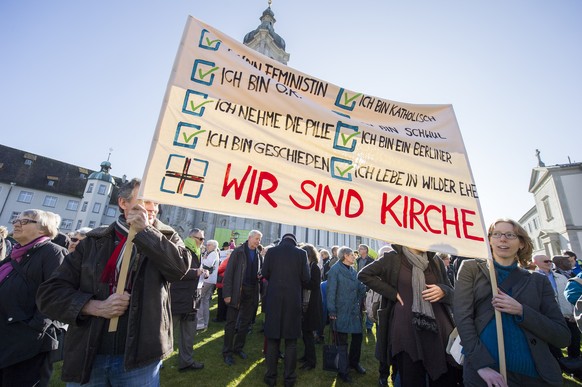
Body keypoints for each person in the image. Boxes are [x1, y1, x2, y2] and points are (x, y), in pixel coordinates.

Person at [37, 178, 191, 385]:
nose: (153, 207)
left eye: (156, 202)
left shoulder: (167, 237)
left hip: (140, 355)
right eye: (146, 200)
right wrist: (93, 306)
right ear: (123, 203)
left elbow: (179, 269)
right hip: (90, 352)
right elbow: (50, 293)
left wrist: (146, 232)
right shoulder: (94, 241)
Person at [454, 218, 570, 387]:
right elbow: (462, 319)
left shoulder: (538, 281)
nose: (503, 239)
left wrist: (522, 311)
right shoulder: (470, 269)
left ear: (521, 243)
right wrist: (481, 366)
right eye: (497, 234)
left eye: (510, 235)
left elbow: (562, 337)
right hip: (486, 374)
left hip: (534, 376)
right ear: (489, 240)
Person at [358, 244, 456, 387]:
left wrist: (443, 291)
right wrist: (392, 292)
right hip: (407, 328)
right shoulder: (393, 258)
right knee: (411, 376)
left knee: (442, 377)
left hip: (437, 329)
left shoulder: (435, 260)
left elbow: (452, 292)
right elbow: (363, 275)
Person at [0, 210, 67, 386]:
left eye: (25, 221)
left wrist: (34, 330)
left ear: (43, 230)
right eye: (16, 219)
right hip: (6, 339)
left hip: (27, 346)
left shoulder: (53, 252)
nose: (16, 223)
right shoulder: (15, 255)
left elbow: (56, 295)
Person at [262, 233, 310, 387]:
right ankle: (289, 378)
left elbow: (264, 273)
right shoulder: (301, 253)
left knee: (273, 340)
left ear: (283, 240)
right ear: (294, 242)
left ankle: (271, 377)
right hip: (292, 300)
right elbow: (306, 278)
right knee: (291, 342)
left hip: (274, 299)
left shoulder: (272, 251)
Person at [222, 230, 263, 366]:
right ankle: (227, 352)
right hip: (237, 292)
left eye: (260, 239)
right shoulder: (238, 252)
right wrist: (227, 294)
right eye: (257, 238)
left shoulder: (258, 254)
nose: (258, 241)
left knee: (245, 323)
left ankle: (238, 348)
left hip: (251, 292)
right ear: (250, 238)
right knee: (231, 323)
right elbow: (229, 274)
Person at [327, 246, 367, 383]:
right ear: (345, 256)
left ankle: (354, 363)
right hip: (340, 311)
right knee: (341, 343)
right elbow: (331, 293)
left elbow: (360, 287)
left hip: (354, 312)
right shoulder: (334, 271)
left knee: (358, 337)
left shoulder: (353, 271)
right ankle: (343, 371)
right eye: (352, 255)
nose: (354, 257)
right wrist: (331, 310)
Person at [171, 228, 206, 371]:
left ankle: (186, 361)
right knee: (167, 333)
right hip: (178, 298)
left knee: (189, 334)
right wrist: (195, 272)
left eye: (203, 239)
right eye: (201, 239)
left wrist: (203, 272)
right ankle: (154, 362)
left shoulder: (198, 253)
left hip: (192, 299)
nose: (202, 242)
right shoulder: (181, 250)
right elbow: (174, 270)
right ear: (192, 237)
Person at [533, 254, 580, 362]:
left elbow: (570, 295)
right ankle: (560, 363)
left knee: (574, 339)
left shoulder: (561, 277)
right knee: (553, 342)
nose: (549, 262)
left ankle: (575, 363)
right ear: (536, 263)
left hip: (567, 314)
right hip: (548, 317)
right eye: (546, 261)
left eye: (550, 260)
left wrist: (574, 312)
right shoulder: (532, 279)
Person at [298, 243, 323, 371]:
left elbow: (314, 285)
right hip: (307, 304)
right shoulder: (309, 266)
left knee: (308, 334)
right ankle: (306, 356)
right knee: (305, 334)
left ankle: (311, 362)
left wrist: (301, 282)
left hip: (311, 305)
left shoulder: (314, 268)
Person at [198, 239, 219, 330]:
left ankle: (200, 322)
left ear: (214, 246)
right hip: (209, 280)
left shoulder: (213, 254)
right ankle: (205, 322)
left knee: (200, 300)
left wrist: (201, 261)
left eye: (209, 245)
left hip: (208, 280)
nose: (207, 246)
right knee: (205, 301)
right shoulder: (210, 253)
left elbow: (208, 265)